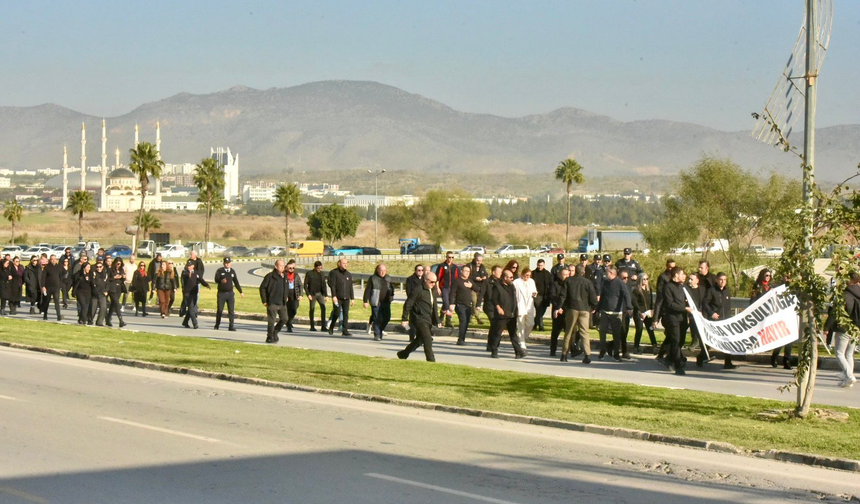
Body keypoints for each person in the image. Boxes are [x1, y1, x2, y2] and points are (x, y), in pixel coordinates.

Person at [825, 272, 859, 388]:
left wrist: (826, 327)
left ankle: (849, 376)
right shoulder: (858, 293)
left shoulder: (845, 295)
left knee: (839, 353)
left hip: (843, 327)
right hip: (855, 328)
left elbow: (835, 313)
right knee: (849, 354)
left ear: (849, 280)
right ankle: (846, 377)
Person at [557, 264, 598, 363]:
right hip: (584, 309)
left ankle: (564, 354)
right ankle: (587, 355)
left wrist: (559, 307)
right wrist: (594, 306)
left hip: (572, 308)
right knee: (584, 332)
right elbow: (593, 297)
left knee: (569, 331)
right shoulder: (588, 282)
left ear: (575, 271)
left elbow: (563, 295)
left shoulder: (568, 281)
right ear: (583, 272)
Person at [751, 269, 791, 369]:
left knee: (786, 336)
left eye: (769, 276)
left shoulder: (773, 286)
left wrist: (786, 282)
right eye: (766, 275)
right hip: (763, 317)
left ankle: (786, 360)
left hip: (775, 315)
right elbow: (752, 301)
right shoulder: (757, 287)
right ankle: (774, 357)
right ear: (762, 276)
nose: (768, 277)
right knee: (772, 337)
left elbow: (783, 291)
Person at [397, 272, 441, 362]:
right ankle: (431, 360)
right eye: (431, 282)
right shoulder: (418, 289)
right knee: (428, 339)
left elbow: (434, 306)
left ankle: (403, 354)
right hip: (419, 319)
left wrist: (437, 320)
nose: (433, 284)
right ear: (426, 280)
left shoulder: (432, 290)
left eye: (435, 282)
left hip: (428, 319)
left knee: (420, 339)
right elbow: (408, 303)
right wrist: (405, 318)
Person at [700, 272, 736, 369]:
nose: (723, 282)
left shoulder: (727, 291)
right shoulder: (711, 291)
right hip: (715, 320)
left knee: (727, 341)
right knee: (710, 341)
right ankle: (700, 357)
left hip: (725, 321)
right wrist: (712, 313)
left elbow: (728, 307)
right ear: (717, 280)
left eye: (724, 280)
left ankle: (728, 362)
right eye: (721, 279)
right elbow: (705, 303)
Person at [597, 265, 632, 361]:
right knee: (602, 332)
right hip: (605, 311)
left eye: (607, 272)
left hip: (616, 313)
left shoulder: (620, 283)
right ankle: (603, 350)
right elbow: (602, 296)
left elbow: (627, 295)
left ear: (611, 273)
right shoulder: (605, 283)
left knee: (616, 334)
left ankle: (616, 353)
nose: (605, 274)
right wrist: (598, 309)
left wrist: (629, 307)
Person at [660, 267, 691, 376]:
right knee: (675, 340)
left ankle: (668, 359)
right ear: (676, 275)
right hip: (672, 318)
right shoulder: (668, 287)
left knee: (681, 341)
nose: (684, 276)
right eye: (682, 274)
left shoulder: (682, 287)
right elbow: (670, 304)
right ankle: (678, 366)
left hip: (682, 318)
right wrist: (684, 308)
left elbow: (683, 301)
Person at [489, 269, 524, 358]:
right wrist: (498, 308)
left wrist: (516, 311)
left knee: (513, 334)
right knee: (498, 333)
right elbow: (493, 299)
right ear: (505, 278)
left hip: (512, 314)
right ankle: (494, 351)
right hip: (502, 315)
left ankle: (518, 352)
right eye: (510, 277)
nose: (512, 279)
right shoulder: (497, 286)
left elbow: (514, 300)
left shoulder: (512, 286)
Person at [364, 263, 393, 341]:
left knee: (387, 317)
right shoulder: (373, 278)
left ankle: (380, 330)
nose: (383, 272)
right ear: (377, 270)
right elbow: (368, 290)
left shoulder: (388, 278)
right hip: (376, 301)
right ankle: (377, 334)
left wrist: (391, 297)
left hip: (386, 302)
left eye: (384, 271)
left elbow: (391, 288)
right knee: (376, 318)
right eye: (381, 270)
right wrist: (365, 301)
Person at [213, 257, 244, 331]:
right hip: (221, 294)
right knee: (220, 310)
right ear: (223, 263)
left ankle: (231, 326)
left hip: (230, 293)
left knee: (231, 310)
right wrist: (221, 280)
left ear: (231, 263)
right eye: (226, 263)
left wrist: (241, 291)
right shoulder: (220, 271)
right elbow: (216, 279)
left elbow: (236, 282)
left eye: (229, 263)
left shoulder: (232, 271)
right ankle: (217, 324)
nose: (227, 264)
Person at [447, 264, 474, 346]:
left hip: (468, 305)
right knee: (463, 321)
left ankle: (463, 338)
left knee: (466, 322)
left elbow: (477, 288)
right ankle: (460, 339)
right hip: (460, 305)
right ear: (461, 271)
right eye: (465, 271)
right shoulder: (457, 281)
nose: (467, 273)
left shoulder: (470, 281)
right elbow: (452, 293)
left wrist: (471, 286)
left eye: (468, 271)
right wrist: (451, 303)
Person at [327, 258, 355, 336]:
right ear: (339, 264)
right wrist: (334, 296)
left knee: (346, 314)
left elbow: (350, 287)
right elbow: (332, 285)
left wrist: (352, 298)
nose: (345, 265)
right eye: (343, 263)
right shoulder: (334, 273)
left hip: (346, 297)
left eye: (346, 263)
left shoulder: (348, 274)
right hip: (338, 297)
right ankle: (331, 326)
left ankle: (345, 330)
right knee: (337, 313)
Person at [513, 268, 537, 354]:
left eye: (529, 275)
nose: (528, 277)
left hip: (529, 305)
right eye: (526, 275)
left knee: (531, 323)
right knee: (520, 324)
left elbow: (534, 291)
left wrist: (535, 293)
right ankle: (522, 342)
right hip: (520, 305)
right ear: (522, 274)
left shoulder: (531, 281)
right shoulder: (516, 282)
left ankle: (523, 337)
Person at [632, 274, 658, 354]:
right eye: (644, 279)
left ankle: (655, 346)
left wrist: (652, 310)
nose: (645, 281)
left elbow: (651, 302)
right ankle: (636, 347)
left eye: (647, 279)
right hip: (639, 312)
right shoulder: (636, 290)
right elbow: (634, 302)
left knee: (650, 329)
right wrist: (640, 312)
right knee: (639, 329)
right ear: (640, 280)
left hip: (648, 313)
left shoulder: (648, 289)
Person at [181, 259, 209, 329]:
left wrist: (206, 285)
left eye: (190, 266)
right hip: (188, 293)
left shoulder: (196, 273)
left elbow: (201, 280)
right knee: (191, 308)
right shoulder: (184, 273)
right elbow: (185, 278)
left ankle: (185, 322)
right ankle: (195, 323)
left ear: (193, 266)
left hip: (194, 293)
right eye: (188, 266)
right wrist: (189, 275)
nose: (189, 267)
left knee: (192, 308)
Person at [548, 268, 570, 356]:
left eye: (568, 275)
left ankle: (571, 349)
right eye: (565, 275)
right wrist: (558, 307)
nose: (566, 277)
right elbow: (552, 296)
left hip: (566, 310)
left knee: (568, 331)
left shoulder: (569, 284)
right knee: (555, 332)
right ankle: (553, 349)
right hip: (557, 311)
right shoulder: (555, 284)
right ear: (560, 275)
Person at [435, 251, 459, 328]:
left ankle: (447, 320)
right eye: (449, 257)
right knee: (446, 303)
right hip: (444, 287)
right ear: (446, 257)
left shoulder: (455, 267)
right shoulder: (442, 266)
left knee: (450, 304)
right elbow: (438, 277)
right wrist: (438, 288)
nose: (450, 259)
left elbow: (457, 278)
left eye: (452, 257)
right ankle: (441, 318)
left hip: (452, 288)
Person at [482, 265, 503, 351]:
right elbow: (482, 293)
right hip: (489, 307)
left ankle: (495, 344)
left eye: (501, 272)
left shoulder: (501, 282)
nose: (500, 274)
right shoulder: (487, 281)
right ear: (494, 272)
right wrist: (478, 304)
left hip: (498, 307)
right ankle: (491, 345)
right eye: (499, 272)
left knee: (497, 326)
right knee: (494, 324)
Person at [303, 260, 328, 331]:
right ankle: (312, 326)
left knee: (323, 308)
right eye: (318, 268)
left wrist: (326, 295)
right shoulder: (309, 273)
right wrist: (308, 294)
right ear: (315, 267)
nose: (319, 269)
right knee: (312, 309)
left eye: (321, 268)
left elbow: (324, 285)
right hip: (312, 294)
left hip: (320, 294)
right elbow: (305, 285)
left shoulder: (322, 274)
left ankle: (323, 326)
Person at [40, 255, 63, 321]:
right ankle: (45, 314)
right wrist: (43, 286)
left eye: (55, 259)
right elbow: (43, 277)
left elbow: (61, 277)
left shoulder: (59, 267)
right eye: (52, 259)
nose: (53, 260)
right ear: (50, 260)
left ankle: (59, 315)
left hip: (56, 287)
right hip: (48, 287)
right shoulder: (47, 267)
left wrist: (60, 285)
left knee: (57, 301)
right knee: (47, 301)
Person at [405, 264, 425, 341]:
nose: (420, 272)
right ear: (415, 271)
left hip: (422, 303)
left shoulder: (424, 279)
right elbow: (409, 292)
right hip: (413, 303)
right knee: (412, 321)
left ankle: (421, 336)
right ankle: (411, 335)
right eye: (419, 270)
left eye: (422, 270)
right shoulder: (410, 279)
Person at [531, 259, 552, 331]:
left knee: (542, 311)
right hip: (537, 295)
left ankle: (535, 323)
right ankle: (540, 326)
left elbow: (550, 284)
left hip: (545, 295)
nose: (540, 267)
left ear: (544, 265)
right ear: (537, 265)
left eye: (541, 265)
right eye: (539, 265)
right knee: (539, 310)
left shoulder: (547, 274)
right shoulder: (533, 273)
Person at [283, 259, 303, 332]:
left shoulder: (296, 275)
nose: (292, 269)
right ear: (287, 268)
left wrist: (301, 295)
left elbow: (300, 285)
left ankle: (288, 321)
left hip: (295, 294)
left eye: (293, 268)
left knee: (294, 310)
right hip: (286, 294)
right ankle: (288, 325)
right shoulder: (284, 275)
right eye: (290, 268)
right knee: (287, 310)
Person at [106, 259, 127, 327]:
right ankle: (121, 320)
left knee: (113, 304)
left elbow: (123, 279)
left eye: (120, 264)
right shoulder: (110, 269)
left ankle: (108, 319)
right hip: (112, 288)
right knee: (117, 303)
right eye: (117, 264)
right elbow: (107, 279)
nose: (118, 265)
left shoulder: (121, 270)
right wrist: (114, 277)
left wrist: (123, 277)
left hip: (119, 288)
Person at [468, 253, 488, 324]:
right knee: (474, 302)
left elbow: (486, 274)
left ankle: (470, 317)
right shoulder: (469, 266)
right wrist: (475, 278)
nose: (479, 262)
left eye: (480, 261)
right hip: (472, 287)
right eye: (478, 260)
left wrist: (484, 277)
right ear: (474, 259)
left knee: (477, 303)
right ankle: (478, 318)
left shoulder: (482, 266)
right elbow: (467, 276)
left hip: (480, 287)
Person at [90, 261, 109, 326]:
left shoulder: (105, 275)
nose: (99, 268)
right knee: (93, 309)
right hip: (95, 294)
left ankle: (99, 321)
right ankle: (90, 320)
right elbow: (92, 284)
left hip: (102, 294)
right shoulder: (94, 274)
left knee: (103, 308)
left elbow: (107, 284)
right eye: (97, 267)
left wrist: (106, 291)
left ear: (102, 267)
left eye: (100, 267)